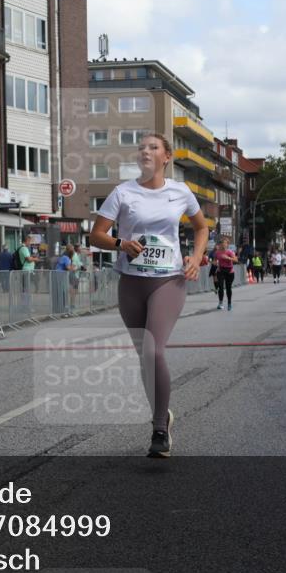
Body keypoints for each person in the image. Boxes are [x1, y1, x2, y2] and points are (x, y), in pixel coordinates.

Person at [89, 132, 206, 458]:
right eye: (141, 148)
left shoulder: (180, 192)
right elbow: (96, 234)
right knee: (144, 355)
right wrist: (119, 244)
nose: (145, 151)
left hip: (168, 280)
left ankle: (158, 428)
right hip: (131, 282)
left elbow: (201, 227)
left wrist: (195, 258)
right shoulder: (122, 192)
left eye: (153, 147)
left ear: (166, 156)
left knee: (153, 352)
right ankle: (163, 413)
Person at [212, 240, 237, 311]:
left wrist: (228, 258)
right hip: (221, 271)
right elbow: (214, 260)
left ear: (227, 245)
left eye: (224, 243)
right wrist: (214, 263)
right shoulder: (217, 252)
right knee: (220, 286)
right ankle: (220, 303)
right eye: (221, 243)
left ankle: (229, 303)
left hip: (229, 271)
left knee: (228, 288)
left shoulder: (230, 252)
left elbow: (236, 260)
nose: (223, 245)